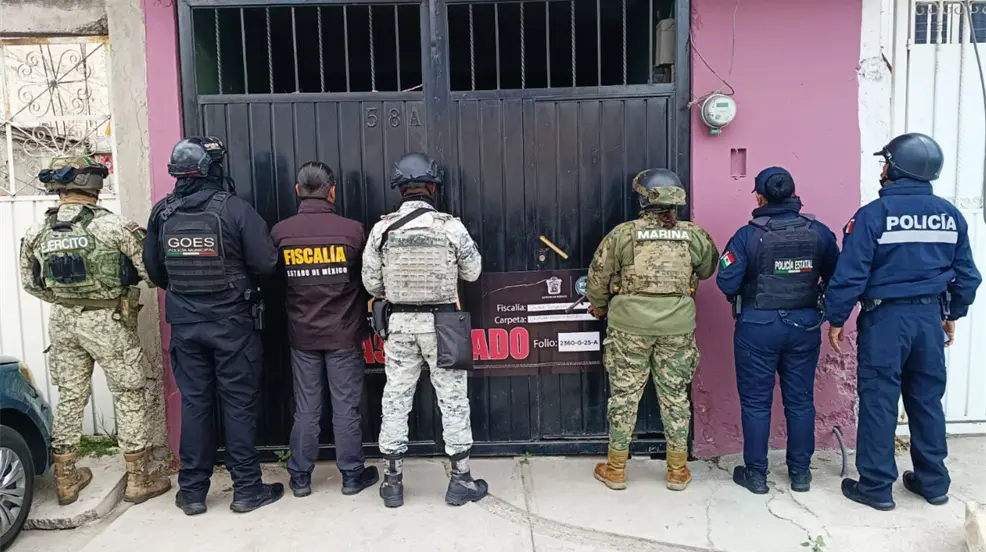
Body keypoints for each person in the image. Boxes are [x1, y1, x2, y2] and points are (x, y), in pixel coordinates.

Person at [826, 133, 981, 511]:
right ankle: (933, 483)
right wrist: (951, 313)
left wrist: (837, 317)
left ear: (897, 167)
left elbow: (851, 274)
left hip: (886, 321)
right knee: (927, 400)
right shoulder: (950, 215)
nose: (882, 168)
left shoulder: (872, 215)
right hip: (929, 319)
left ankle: (876, 487)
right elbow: (968, 276)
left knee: (879, 401)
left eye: (886, 162)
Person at [19, 157, 171, 506]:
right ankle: (138, 479)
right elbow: (151, 275)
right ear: (93, 185)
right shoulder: (113, 226)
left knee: (70, 397)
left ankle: (66, 480)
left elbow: (31, 284)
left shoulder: (37, 230)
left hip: (63, 322)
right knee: (128, 394)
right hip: (109, 322)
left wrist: (66, 300)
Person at [144, 137, 283, 515]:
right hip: (231, 325)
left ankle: (192, 493)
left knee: (195, 405)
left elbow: (155, 271)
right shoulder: (235, 209)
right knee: (238, 405)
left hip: (186, 326)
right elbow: (267, 263)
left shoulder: (162, 213)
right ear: (212, 168)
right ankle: (247, 489)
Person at [362, 152, 487, 508]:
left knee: (396, 398)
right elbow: (473, 272)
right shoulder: (451, 227)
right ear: (432, 187)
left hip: (400, 325)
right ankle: (461, 480)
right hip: (443, 326)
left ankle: (392, 484)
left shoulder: (383, 230)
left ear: (399, 188)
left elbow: (371, 283)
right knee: (453, 399)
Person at [587, 168, 719, 492]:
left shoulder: (623, 234)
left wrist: (600, 306)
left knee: (624, 396)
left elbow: (598, 277)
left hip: (629, 327)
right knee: (675, 396)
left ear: (643, 200)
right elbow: (707, 268)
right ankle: (677, 470)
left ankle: (616, 469)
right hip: (677, 327)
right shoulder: (693, 235)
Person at [715, 167, 840, 495]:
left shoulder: (747, 235)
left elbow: (726, 281)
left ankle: (756, 475)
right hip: (805, 325)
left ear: (760, 197)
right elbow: (837, 277)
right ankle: (800, 474)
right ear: (794, 193)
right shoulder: (819, 232)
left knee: (756, 402)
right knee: (800, 400)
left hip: (758, 326)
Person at [270, 161, 379, 498]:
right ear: (332, 192)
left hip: (302, 336)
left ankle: (301, 478)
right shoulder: (352, 232)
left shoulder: (281, 233)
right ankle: (351, 476)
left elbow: (272, 281)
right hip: (343, 334)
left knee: (306, 407)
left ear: (298, 190)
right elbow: (369, 280)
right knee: (346, 407)